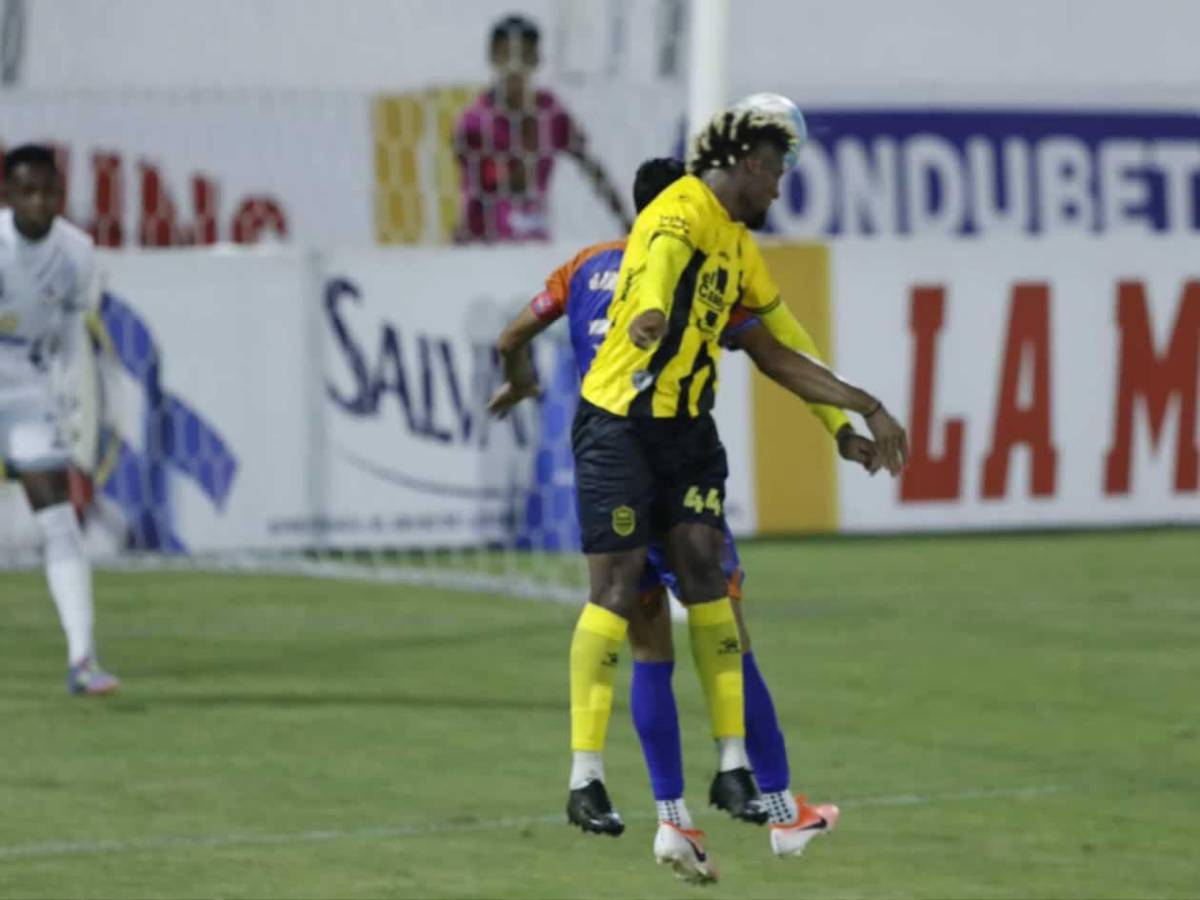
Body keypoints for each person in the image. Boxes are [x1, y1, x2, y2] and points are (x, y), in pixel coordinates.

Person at [490, 156, 906, 881]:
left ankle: (672, 820)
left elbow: (513, 334)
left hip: (610, 452)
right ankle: (777, 807)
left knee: (647, 642)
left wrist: (521, 379)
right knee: (727, 629)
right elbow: (777, 352)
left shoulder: (583, 266)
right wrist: (845, 420)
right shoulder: (700, 268)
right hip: (672, 454)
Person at [0, 144, 118, 696]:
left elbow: (72, 339)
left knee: (58, 519)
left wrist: (70, 405)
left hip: (26, 385)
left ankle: (82, 659)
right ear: (7, 194)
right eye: (27, 191)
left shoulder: (76, 252)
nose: (39, 202)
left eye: (48, 191)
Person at [453, 14, 632, 243]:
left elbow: (592, 168)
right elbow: (501, 186)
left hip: (534, 241)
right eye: (506, 55)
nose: (515, 67)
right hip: (482, 245)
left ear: (537, 58)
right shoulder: (474, 121)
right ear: (492, 57)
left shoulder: (551, 112)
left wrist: (628, 223)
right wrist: (529, 138)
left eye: (524, 55)